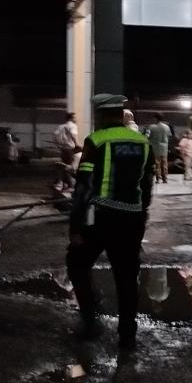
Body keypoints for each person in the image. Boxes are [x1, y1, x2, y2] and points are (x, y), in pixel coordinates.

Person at [66, 93, 155, 353]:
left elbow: (83, 187)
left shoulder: (95, 140)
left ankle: (90, 319)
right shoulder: (143, 142)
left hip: (101, 217)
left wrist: (75, 226)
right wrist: (142, 213)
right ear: (120, 115)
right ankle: (127, 336)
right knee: (127, 277)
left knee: (77, 263)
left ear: (102, 116)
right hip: (132, 218)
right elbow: (147, 185)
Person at [53, 112, 78, 193]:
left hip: (63, 149)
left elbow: (55, 136)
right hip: (70, 149)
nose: (76, 119)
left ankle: (65, 184)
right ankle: (70, 185)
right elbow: (73, 135)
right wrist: (77, 144)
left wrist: (58, 145)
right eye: (74, 117)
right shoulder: (73, 126)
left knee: (64, 166)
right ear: (71, 118)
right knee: (70, 167)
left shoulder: (61, 126)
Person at [145, 113, 171, 184]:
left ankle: (158, 179)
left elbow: (147, 136)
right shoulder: (166, 127)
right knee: (164, 164)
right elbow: (169, 136)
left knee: (157, 164)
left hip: (155, 147)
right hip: (164, 148)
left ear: (156, 118)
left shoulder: (151, 127)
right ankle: (165, 178)